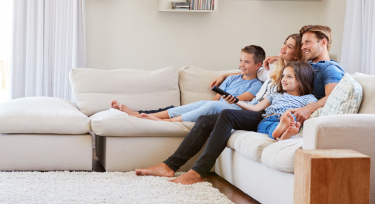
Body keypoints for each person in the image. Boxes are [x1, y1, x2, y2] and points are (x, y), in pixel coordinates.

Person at [134, 32, 307, 184]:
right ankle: (169, 166)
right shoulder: (274, 69)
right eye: (285, 42)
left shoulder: (298, 73)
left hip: (263, 113)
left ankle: (198, 172)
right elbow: (249, 71)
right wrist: (224, 75)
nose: (283, 47)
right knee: (203, 120)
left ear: (297, 54)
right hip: (252, 107)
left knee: (226, 114)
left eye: (289, 46)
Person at [111, 45, 265, 122]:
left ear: (258, 65)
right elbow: (216, 98)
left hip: (232, 110)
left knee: (211, 106)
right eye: (240, 60)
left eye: (247, 62)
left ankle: (169, 122)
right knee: (202, 104)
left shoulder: (257, 85)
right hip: (218, 105)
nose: (242, 64)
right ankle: (140, 115)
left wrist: (215, 103)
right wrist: (209, 102)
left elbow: (240, 100)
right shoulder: (231, 78)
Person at [224, 62, 316, 140]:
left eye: (289, 76)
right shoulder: (275, 95)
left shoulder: (307, 98)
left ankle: (282, 132)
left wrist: (290, 111)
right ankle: (281, 133)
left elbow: (311, 107)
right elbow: (255, 108)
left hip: (288, 118)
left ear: (301, 80)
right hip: (268, 119)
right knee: (264, 126)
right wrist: (236, 101)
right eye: (283, 76)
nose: (283, 79)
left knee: (292, 119)